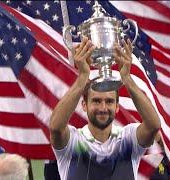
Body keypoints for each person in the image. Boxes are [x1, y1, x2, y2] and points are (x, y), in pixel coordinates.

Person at [49, 37, 161, 180]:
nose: (103, 107)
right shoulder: (74, 141)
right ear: (84, 105)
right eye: (96, 101)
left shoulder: (128, 138)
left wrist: (126, 78)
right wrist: (83, 77)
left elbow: (153, 126)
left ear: (117, 107)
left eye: (109, 101)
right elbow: (55, 128)